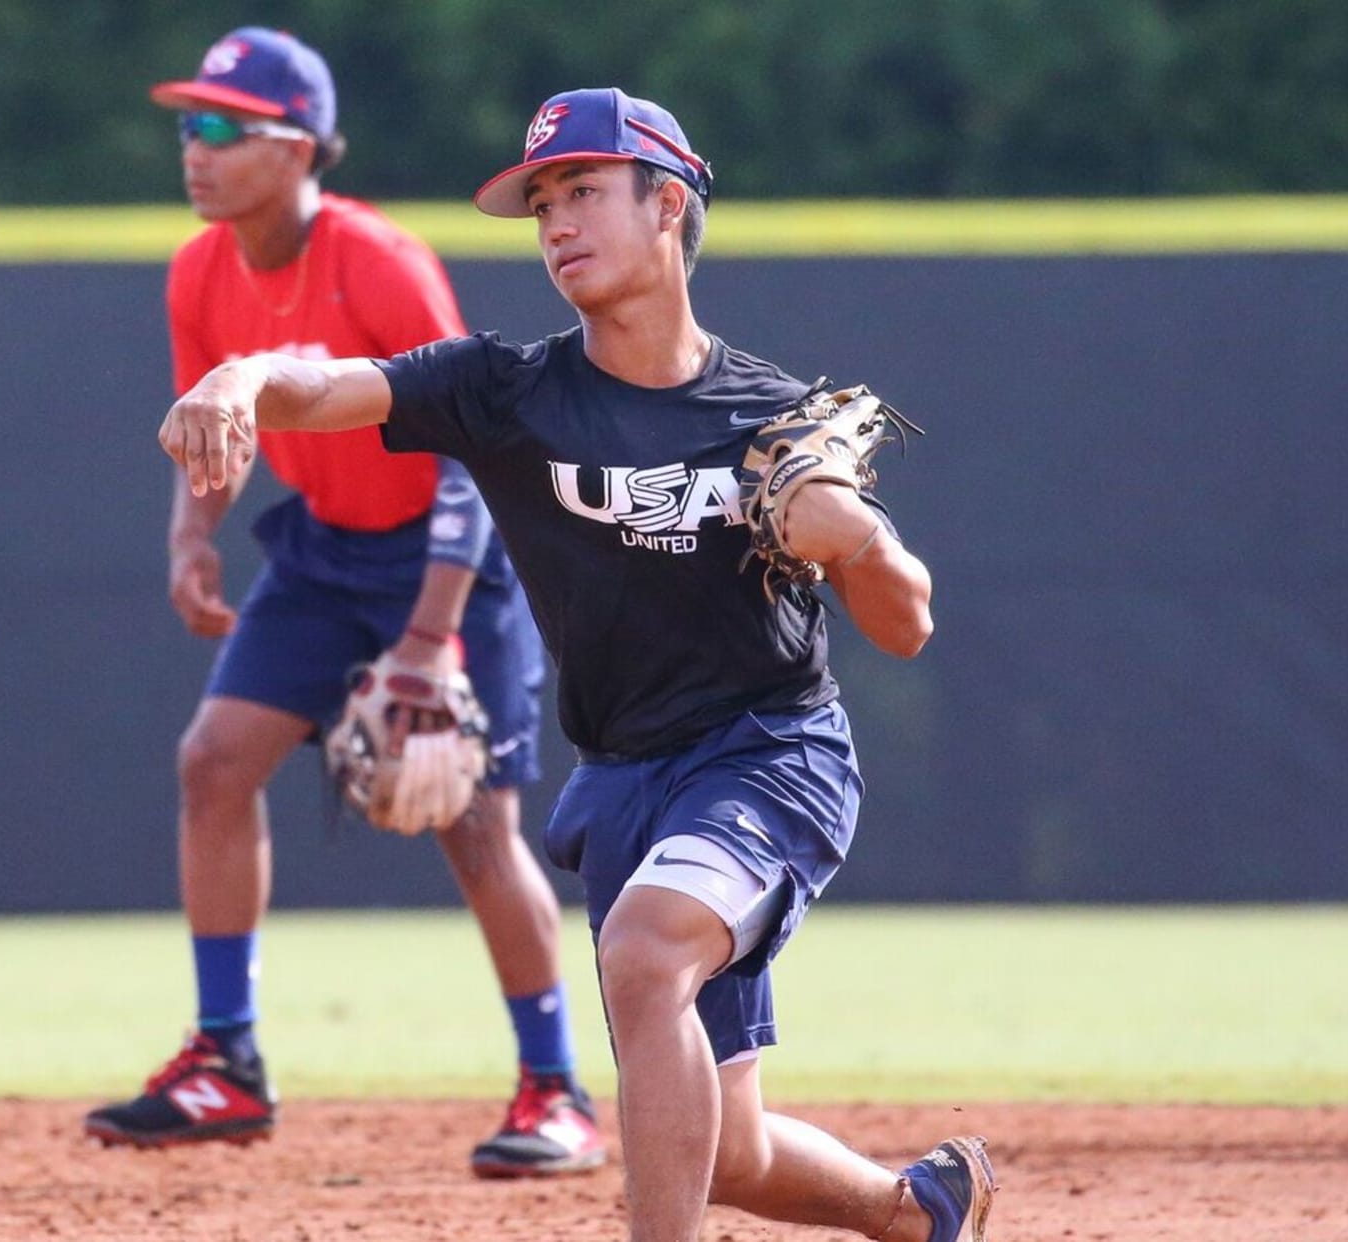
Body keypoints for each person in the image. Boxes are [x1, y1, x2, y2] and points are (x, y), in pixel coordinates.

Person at [157, 87, 997, 1242]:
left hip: (770, 755)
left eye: (586, 191)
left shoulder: (774, 420)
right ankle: (914, 1213)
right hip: (623, 781)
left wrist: (858, 539)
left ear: (671, 205)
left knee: (645, 955)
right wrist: (244, 379)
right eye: (542, 201)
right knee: (730, 1151)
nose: (557, 223)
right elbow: (333, 385)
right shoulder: (507, 391)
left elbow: (905, 627)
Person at [84, 29, 606, 1179]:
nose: (197, 149)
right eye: (188, 125)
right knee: (214, 762)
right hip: (322, 555)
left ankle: (555, 1089)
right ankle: (226, 1059)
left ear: (299, 146)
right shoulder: (199, 269)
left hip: (452, 552)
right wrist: (189, 540)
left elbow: (474, 446)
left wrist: (430, 643)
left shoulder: (375, 259)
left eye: (224, 128)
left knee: (473, 825)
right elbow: (206, 425)